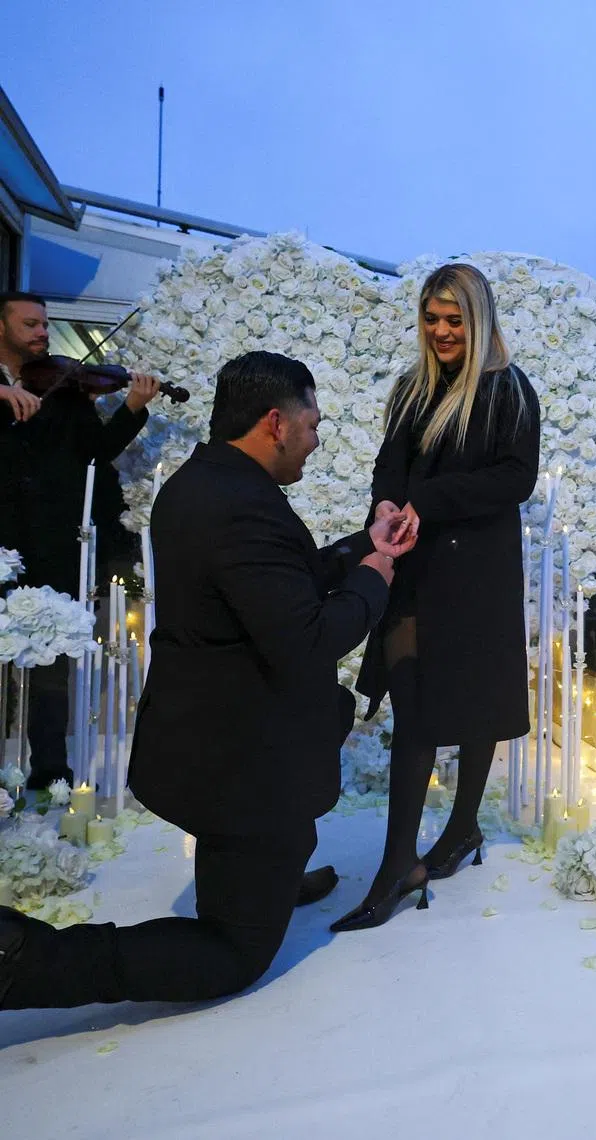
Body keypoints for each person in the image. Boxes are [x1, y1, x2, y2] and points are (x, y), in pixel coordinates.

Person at [0, 351, 414, 1010]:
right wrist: (374, 581)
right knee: (234, 956)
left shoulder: (206, 482)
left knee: (304, 768)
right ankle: (26, 960)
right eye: (313, 423)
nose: (317, 437)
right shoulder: (243, 508)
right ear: (276, 423)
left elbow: (273, 583)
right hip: (241, 763)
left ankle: (271, 879)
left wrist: (363, 545)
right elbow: (306, 641)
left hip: (206, 735)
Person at [331, 263, 540, 934]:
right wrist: (389, 502)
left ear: (478, 322)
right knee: (414, 699)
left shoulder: (509, 391)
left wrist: (428, 501)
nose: (442, 331)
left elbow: (514, 479)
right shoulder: (410, 389)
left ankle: (458, 831)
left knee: (475, 701)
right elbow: (389, 465)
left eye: (455, 319)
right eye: (432, 318)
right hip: (415, 566)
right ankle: (400, 862)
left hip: (477, 570)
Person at [0, 291, 160, 789]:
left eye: (45, 325)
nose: (43, 333)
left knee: (51, 659)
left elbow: (97, 450)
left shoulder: (63, 388)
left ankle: (49, 771)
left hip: (48, 541)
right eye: (30, 324)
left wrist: (133, 406)